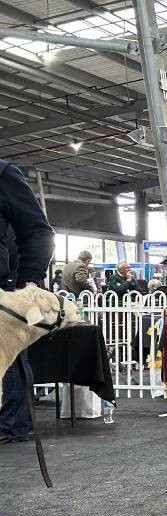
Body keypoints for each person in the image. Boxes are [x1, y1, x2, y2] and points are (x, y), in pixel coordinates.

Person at [0, 159, 55, 451]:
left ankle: (14, 424)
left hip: (7, 296)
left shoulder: (3, 174)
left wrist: (27, 287)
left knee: (13, 360)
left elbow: (38, 233)